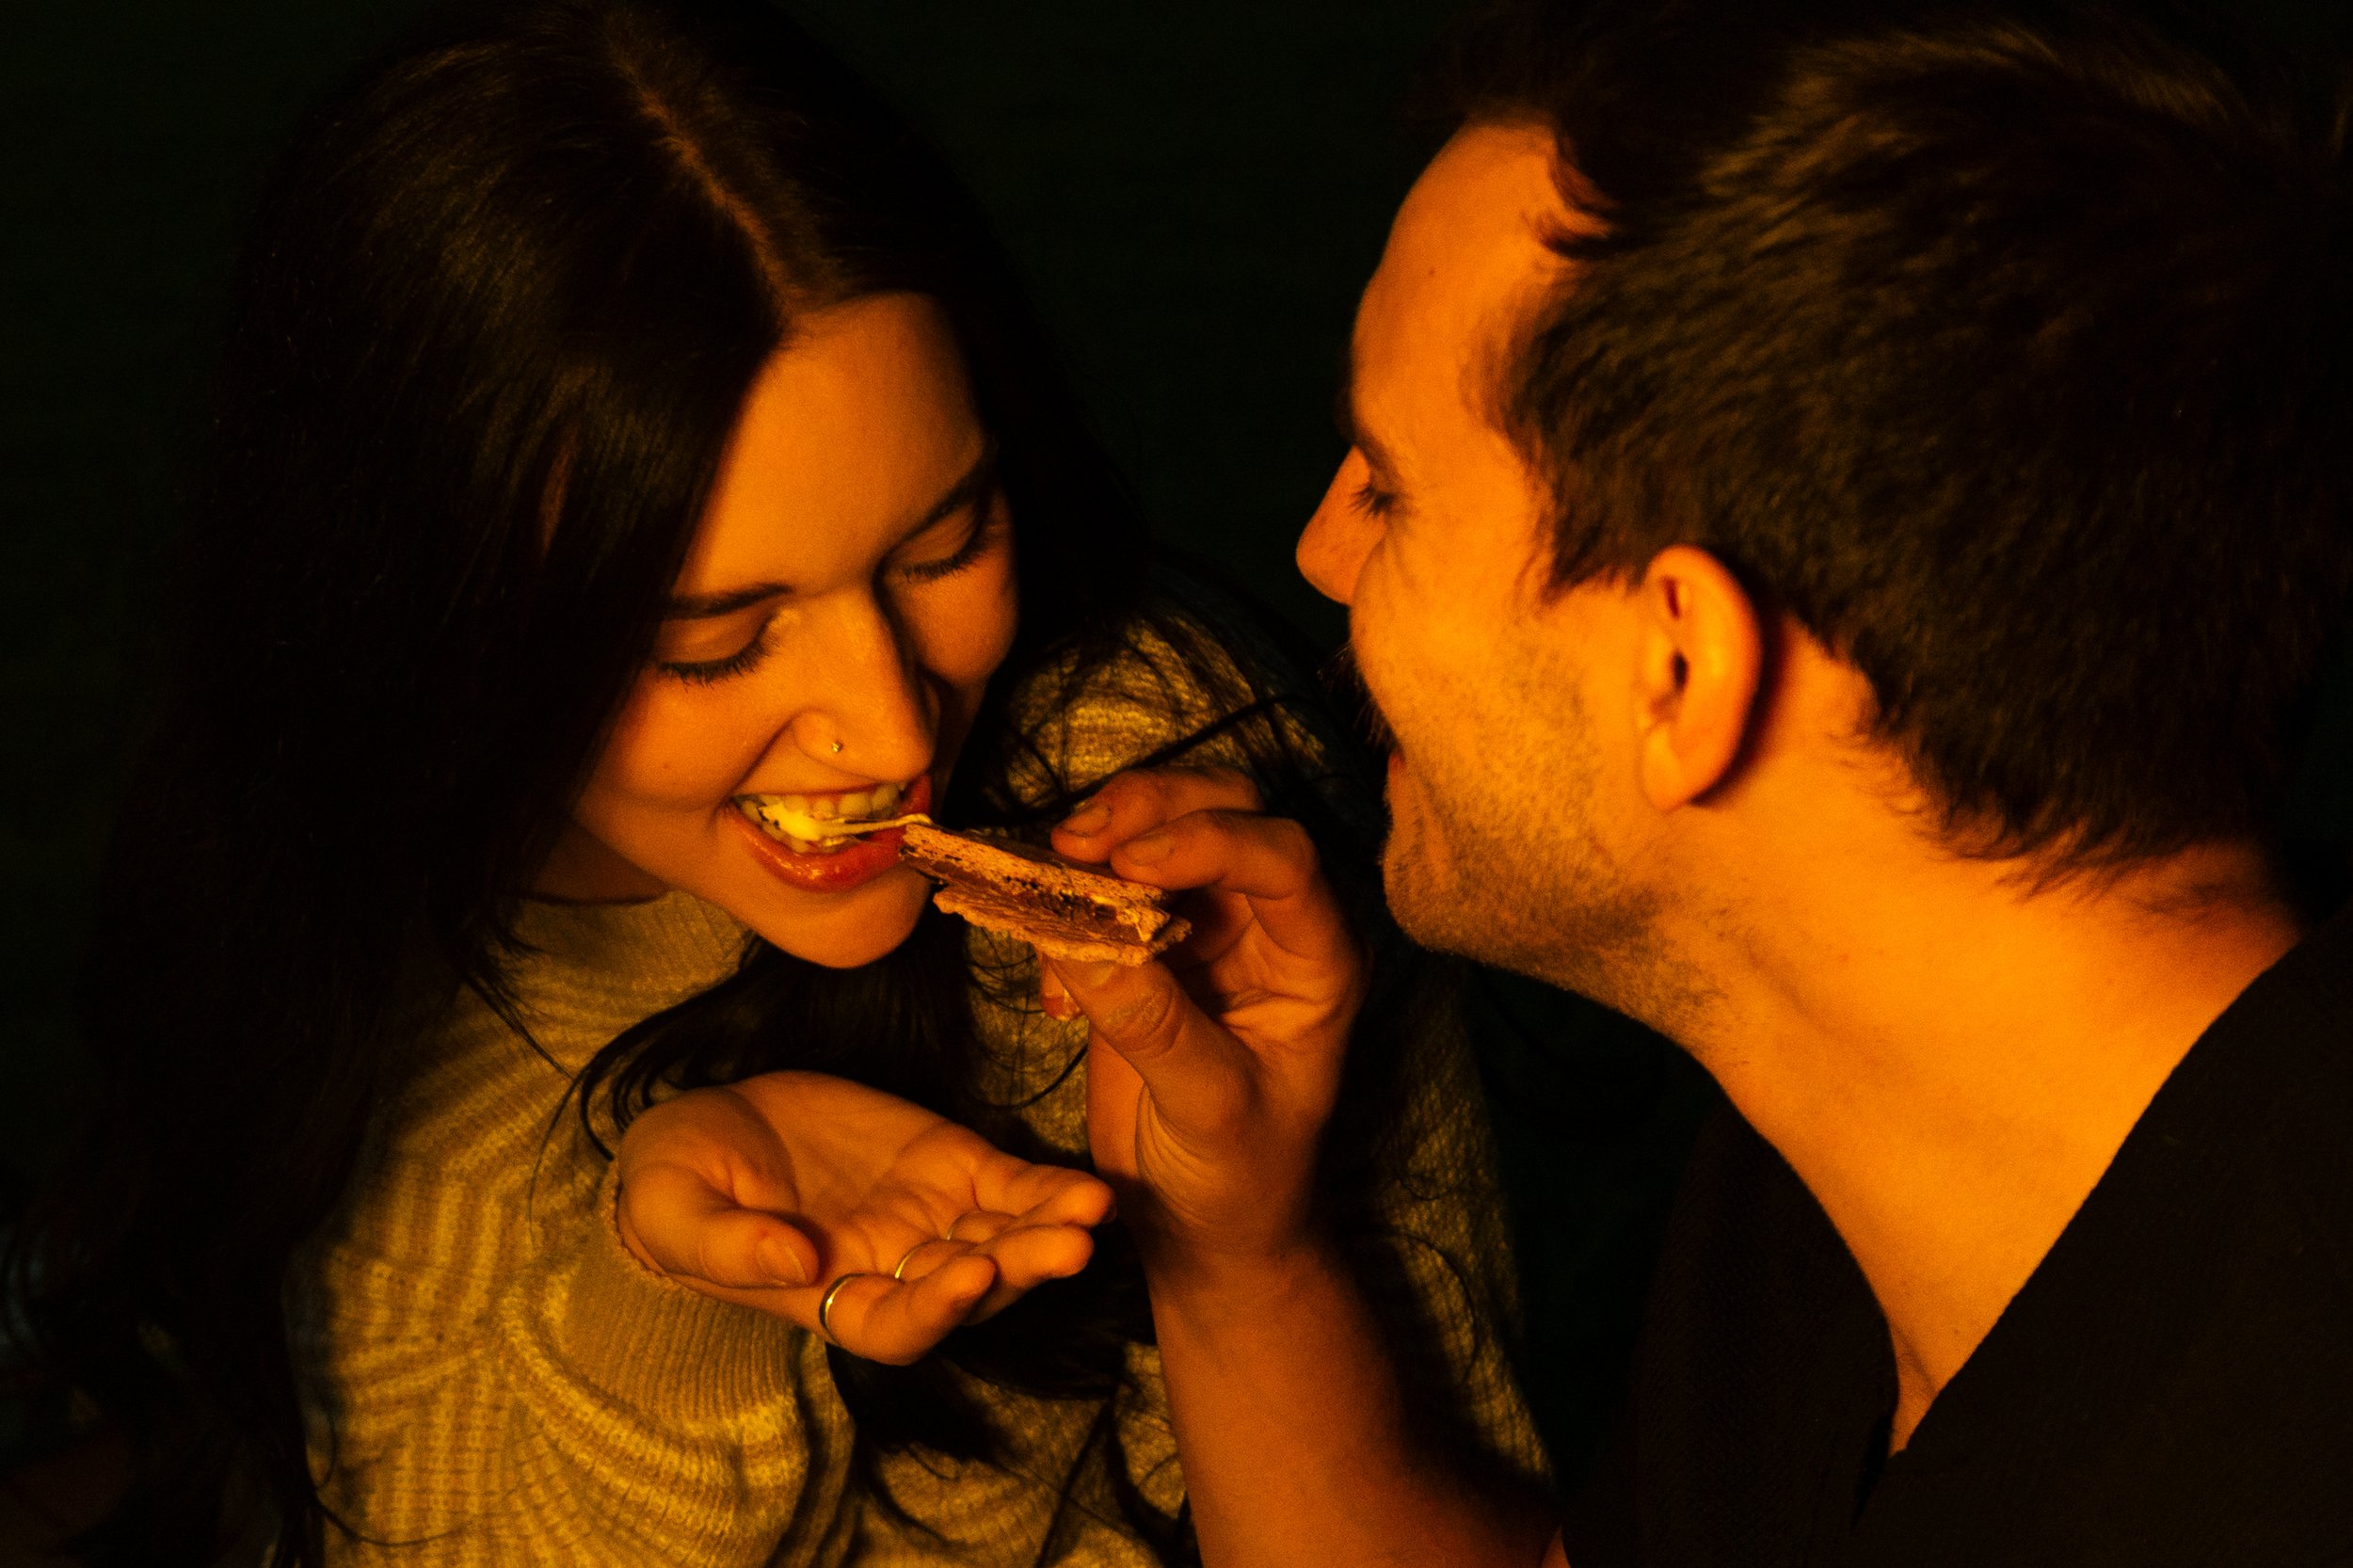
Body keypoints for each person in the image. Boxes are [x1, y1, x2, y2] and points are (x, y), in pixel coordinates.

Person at [8, 1, 1544, 1562]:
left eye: (944, 543)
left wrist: (1243, 1248)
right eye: (716, 643)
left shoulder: (1162, 790)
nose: (887, 728)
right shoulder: (351, 919)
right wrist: (668, 1299)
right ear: (447, 625)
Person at [1041, 1, 2353, 1564]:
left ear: (1683, 671)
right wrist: (1236, 1244)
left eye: (1389, 487)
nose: (1322, 552)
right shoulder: (1847, 1127)